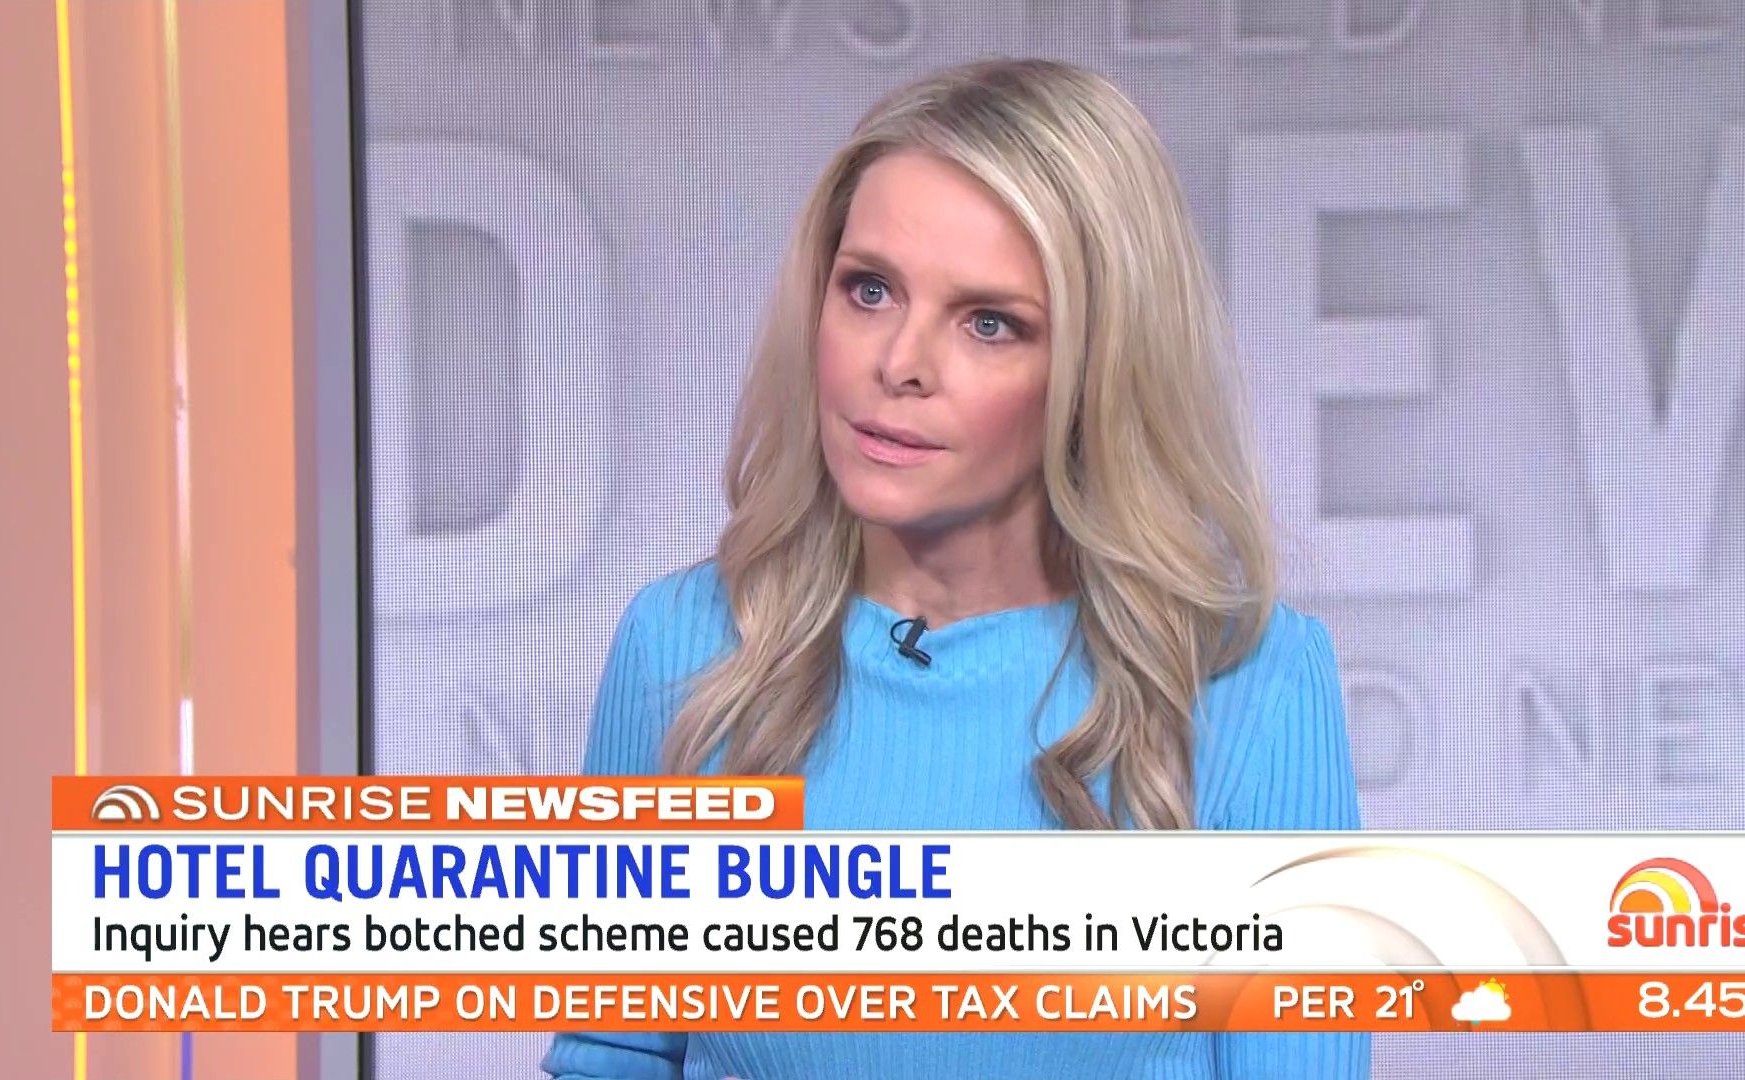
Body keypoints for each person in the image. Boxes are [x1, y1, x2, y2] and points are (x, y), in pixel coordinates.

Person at [544, 57, 1367, 1080]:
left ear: (1095, 368)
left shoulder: (1251, 680)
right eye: (869, 289)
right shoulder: (688, 649)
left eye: (989, 323)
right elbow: (612, 1058)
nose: (898, 363)